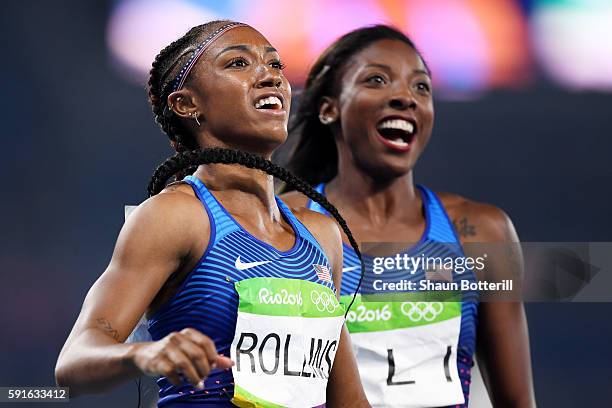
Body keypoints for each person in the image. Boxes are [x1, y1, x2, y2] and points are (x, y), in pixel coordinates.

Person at [55, 20, 369, 408]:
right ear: (187, 104)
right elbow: (74, 361)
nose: (269, 77)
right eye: (238, 63)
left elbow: (349, 402)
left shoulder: (321, 236)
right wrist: (143, 354)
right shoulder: (176, 217)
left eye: (275, 66)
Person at [281, 25, 536, 407]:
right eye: (377, 80)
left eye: (421, 87)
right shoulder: (285, 226)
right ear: (329, 108)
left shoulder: (481, 232)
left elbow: (517, 402)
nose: (405, 97)